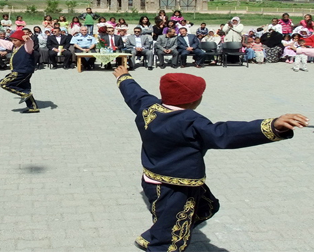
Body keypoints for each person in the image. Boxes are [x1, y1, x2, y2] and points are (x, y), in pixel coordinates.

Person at [112, 65, 308, 252]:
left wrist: (124, 77)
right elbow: (225, 133)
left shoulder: (149, 108)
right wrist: (273, 125)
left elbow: (136, 94)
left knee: (206, 206)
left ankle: (156, 233)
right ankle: (158, 240)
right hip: (175, 188)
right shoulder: (191, 121)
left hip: (158, 180)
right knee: (169, 241)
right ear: (193, 100)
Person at [0, 30, 39, 113]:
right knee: (24, 88)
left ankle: (25, 94)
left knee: (3, 84)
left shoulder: (26, 47)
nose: (13, 42)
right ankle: (33, 107)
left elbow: (30, 44)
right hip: (21, 71)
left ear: (21, 41)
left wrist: (28, 39)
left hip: (22, 71)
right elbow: (4, 43)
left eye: (15, 40)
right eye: (12, 40)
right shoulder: (13, 46)